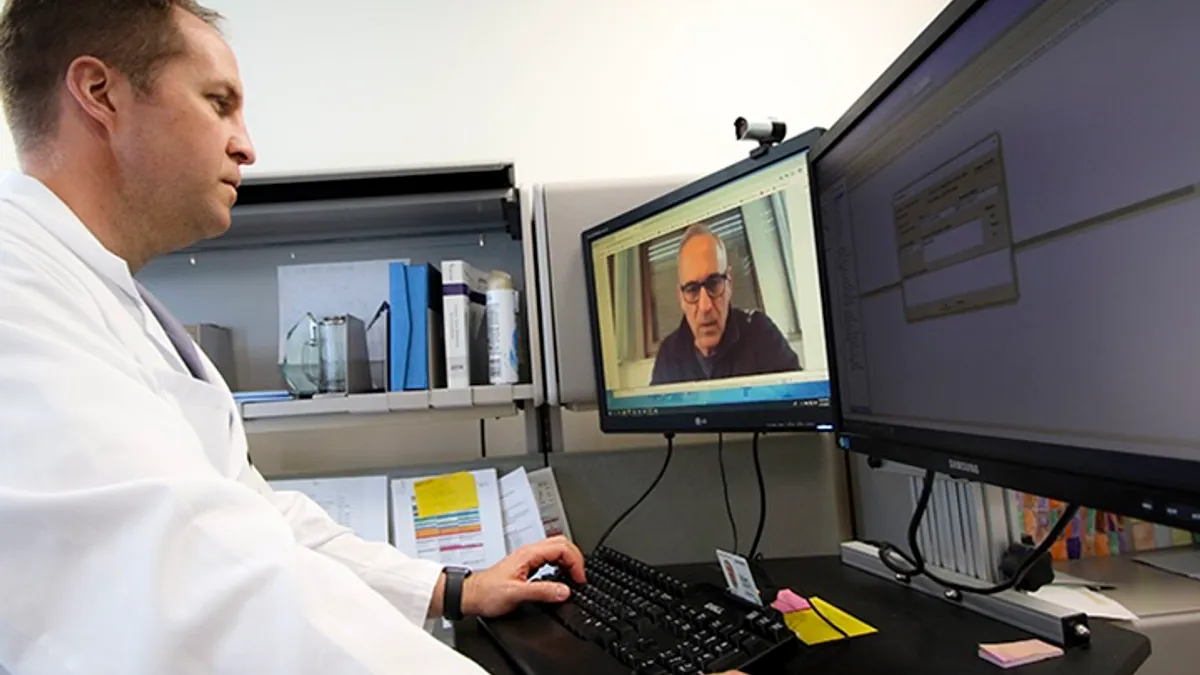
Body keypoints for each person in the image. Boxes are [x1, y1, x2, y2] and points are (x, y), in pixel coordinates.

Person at [650, 223, 800, 386]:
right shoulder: (668, 354)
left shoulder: (760, 333)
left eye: (714, 284)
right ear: (680, 297)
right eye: (692, 290)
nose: (705, 306)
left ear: (729, 283)